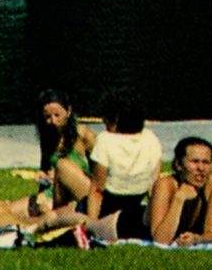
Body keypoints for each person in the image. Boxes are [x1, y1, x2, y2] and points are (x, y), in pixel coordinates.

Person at [79, 87, 163, 241]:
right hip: (134, 206)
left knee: (63, 169)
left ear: (115, 118)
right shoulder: (151, 138)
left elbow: (97, 190)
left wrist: (93, 226)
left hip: (107, 206)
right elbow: (154, 186)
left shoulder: (105, 140)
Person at [9, 88, 96, 220]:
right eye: (47, 117)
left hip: (78, 193)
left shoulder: (83, 135)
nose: (53, 121)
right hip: (52, 192)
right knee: (8, 210)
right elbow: (45, 168)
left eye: (57, 115)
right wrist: (42, 176)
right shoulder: (48, 136)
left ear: (68, 111)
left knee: (42, 214)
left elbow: (101, 173)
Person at [148, 135, 212, 246]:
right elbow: (160, 241)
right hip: (130, 225)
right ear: (179, 164)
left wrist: (196, 239)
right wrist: (179, 199)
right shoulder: (166, 185)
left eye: (206, 162)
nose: (201, 168)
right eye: (194, 162)